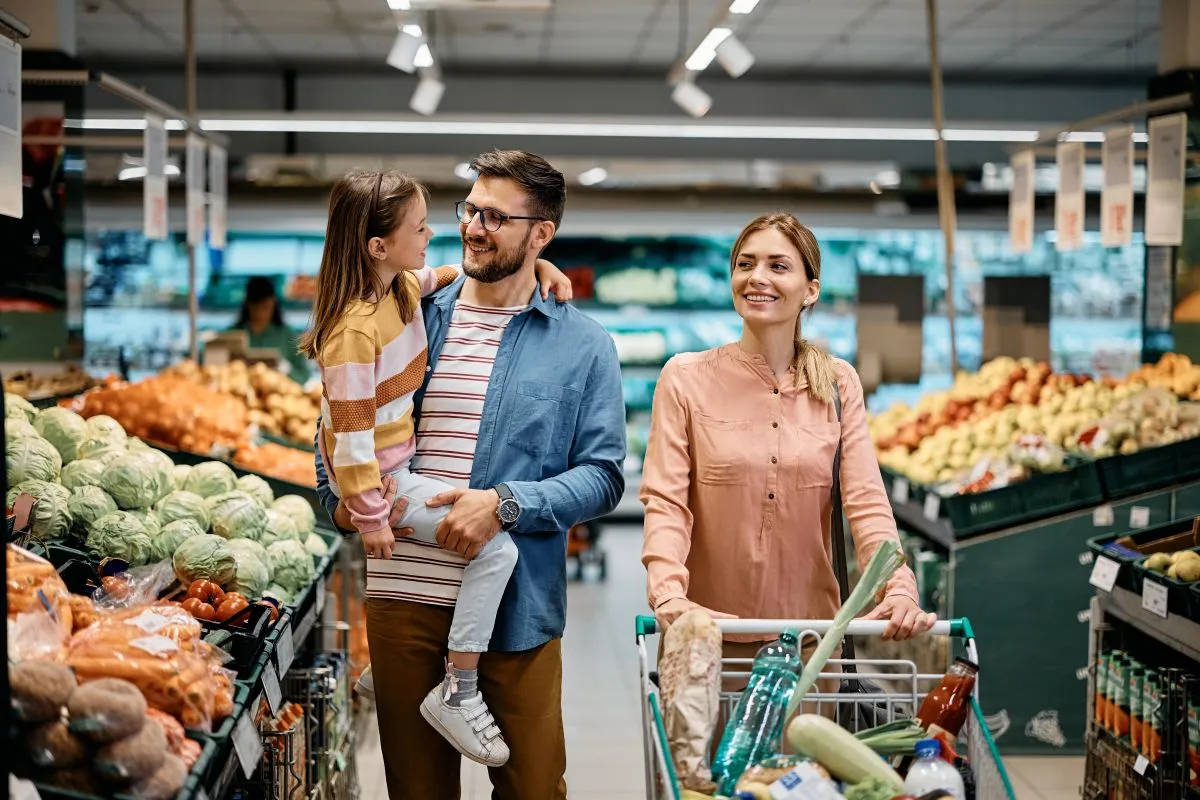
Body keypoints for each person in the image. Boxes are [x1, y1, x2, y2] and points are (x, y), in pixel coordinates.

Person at [314, 150, 626, 799]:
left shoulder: (583, 345)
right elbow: (338, 430)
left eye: (496, 218)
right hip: (403, 600)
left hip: (516, 611)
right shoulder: (408, 307)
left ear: (542, 233)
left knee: (534, 787)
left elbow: (603, 476)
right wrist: (345, 506)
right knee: (416, 791)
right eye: (470, 210)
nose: (474, 228)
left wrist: (504, 504)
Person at [640, 212, 936, 668]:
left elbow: (867, 504)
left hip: (811, 647)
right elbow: (666, 502)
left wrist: (898, 590)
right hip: (705, 641)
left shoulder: (838, 384)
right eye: (745, 264)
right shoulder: (685, 378)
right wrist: (667, 595)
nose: (757, 277)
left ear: (810, 290)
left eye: (778, 266)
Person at [230, 276, 312, 382]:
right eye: (256, 307)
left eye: (265, 307)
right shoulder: (232, 334)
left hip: (280, 395)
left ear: (273, 304)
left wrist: (287, 370)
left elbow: (304, 375)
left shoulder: (288, 335)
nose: (260, 313)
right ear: (247, 305)